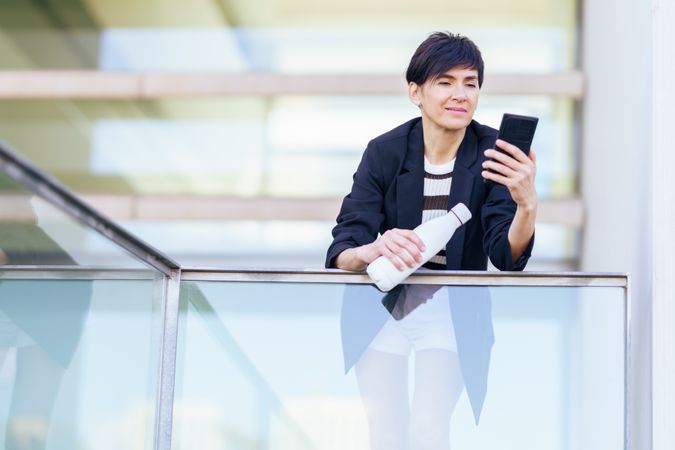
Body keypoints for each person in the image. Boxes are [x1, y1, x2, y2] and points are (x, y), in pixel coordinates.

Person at [325, 32, 537, 450]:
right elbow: (342, 249)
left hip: (451, 310)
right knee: (385, 435)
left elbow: (505, 256)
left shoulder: (493, 152)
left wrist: (526, 205)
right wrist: (373, 249)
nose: (460, 94)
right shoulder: (384, 152)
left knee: (428, 430)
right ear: (415, 92)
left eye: (471, 83)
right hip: (380, 303)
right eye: (445, 82)